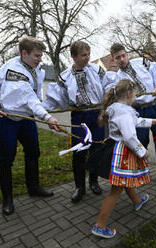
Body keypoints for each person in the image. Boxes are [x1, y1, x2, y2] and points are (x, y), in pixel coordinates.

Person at [88, 79, 156, 238]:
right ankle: (100, 225)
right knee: (116, 189)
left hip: (118, 149)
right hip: (123, 152)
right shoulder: (123, 111)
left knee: (124, 180)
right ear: (129, 94)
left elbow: (136, 121)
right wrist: (142, 151)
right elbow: (129, 136)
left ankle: (137, 201)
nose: (136, 97)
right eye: (136, 94)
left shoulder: (119, 108)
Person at [42, 41, 116, 203]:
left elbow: (109, 85)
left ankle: (94, 182)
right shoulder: (65, 76)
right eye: (83, 55)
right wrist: (40, 111)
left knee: (97, 148)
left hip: (97, 115)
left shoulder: (96, 70)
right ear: (74, 56)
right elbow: (55, 98)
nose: (87, 58)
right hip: (79, 116)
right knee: (79, 152)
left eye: (88, 54)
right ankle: (79, 187)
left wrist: (111, 95)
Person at [0, 36, 59, 215]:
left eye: (41, 55)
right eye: (37, 56)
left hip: (27, 118)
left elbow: (36, 97)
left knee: (34, 152)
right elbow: (30, 99)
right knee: (5, 159)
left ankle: (33, 188)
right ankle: (8, 200)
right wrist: (47, 117)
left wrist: (46, 110)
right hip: (8, 118)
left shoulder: (36, 68)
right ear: (24, 53)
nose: (40, 59)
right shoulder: (12, 70)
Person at [110, 43, 156, 188]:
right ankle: (141, 173)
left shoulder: (142, 62)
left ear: (127, 54)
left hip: (155, 106)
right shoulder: (118, 79)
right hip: (138, 111)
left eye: (123, 55)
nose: (122, 59)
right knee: (141, 143)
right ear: (113, 60)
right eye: (118, 58)